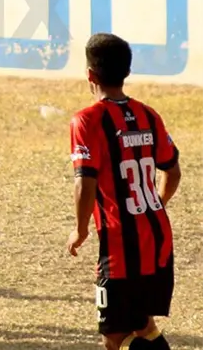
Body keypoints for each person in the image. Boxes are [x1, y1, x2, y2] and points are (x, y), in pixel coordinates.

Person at [67, 33, 180, 350]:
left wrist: (80, 230)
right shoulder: (148, 114)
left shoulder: (87, 120)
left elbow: (84, 181)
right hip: (157, 236)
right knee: (142, 324)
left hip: (120, 246)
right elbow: (171, 170)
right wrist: (154, 205)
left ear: (90, 75)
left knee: (113, 338)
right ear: (125, 72)